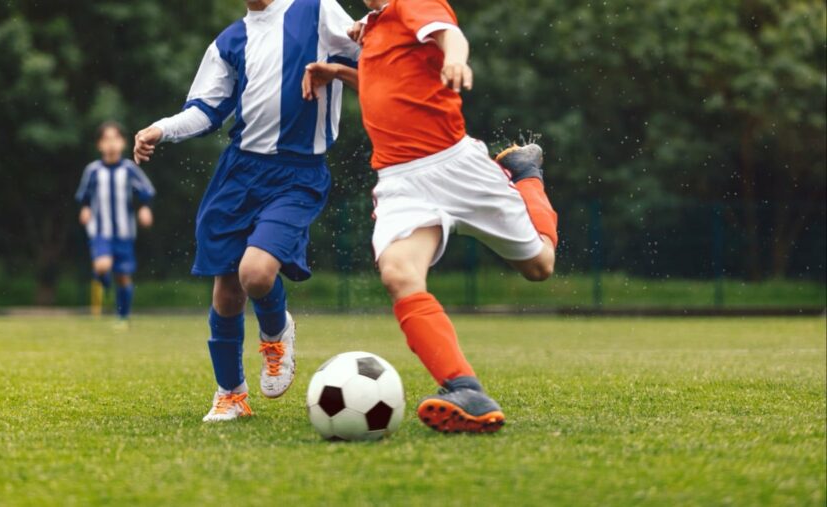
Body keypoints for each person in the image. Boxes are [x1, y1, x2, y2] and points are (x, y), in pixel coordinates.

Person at [303, 0, 559, 433]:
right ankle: (464, 388)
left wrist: (456, 60)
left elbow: (450, 36)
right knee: (398, 274)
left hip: (456, 166)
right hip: (401, 182)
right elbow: (387, 85)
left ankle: (525, 174)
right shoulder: (371, 28)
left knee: (540, 266)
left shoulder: (411, 2)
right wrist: (340, 74)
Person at [132, 0, 361, 422]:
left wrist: (346, 62)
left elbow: (374, 64)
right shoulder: (229, 41)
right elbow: (205, 111)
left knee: (255, 274)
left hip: (298, 174)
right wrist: (159, 129)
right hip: (239, 174)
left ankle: (276, 333)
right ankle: (231, 394)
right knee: (227, 286)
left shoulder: (317, 10)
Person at [75, 121, 156, 328]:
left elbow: (145, 192)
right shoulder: (92, 171)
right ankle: (103, 279)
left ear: (123, 143)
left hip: (124, 231)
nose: (111, 144)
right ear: (99, 145)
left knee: (123, 276)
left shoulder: (129, 169)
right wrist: (84, 209)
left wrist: (144, 208)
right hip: (100, 230)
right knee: (103, 265)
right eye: (106, 139)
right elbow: (84, 197)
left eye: (115, 139)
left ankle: (123, 317)